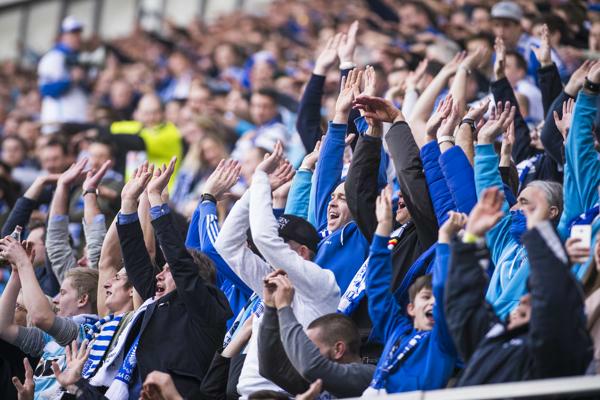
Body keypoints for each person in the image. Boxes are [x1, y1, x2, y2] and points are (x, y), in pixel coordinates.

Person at [214, 142, 340, 398]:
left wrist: (260, 177)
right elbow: (226, 245)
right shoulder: (275, 282)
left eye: (282, 244)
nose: (271, 252)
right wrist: (255, 191)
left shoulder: (320, 283)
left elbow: (263, 237)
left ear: (302, 253)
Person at [445, 186, 592, 385]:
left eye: (532, 301)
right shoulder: (494, 338)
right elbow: (463, 308)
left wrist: (539, 231)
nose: (524, 299)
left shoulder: (555, 349)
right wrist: (471, 237)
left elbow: (554, 294)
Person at [116, 159, 232, 397]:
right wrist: (128, 203)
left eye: (167, 270)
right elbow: (137, 263)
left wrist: (157, 199)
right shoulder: (161, 302)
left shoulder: (206, 308)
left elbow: (180, 263)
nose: (158, 274)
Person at [259, 270, 376, 398]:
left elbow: (311, 367)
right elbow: (272, 368)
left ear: (338, 349)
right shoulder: (320, 382)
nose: (306, 353)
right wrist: (271, 306)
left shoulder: (368, 375)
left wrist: (284, 307)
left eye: (312, 348)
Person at [38, 16, 89, 132]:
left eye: (78, 34)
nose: (77, 38)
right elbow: (46, 90)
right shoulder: (52, 58)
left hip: (78, 119)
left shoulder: (79, 57)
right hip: (59, 121)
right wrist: (70, 80)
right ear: (62, 36)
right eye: (73, 34)